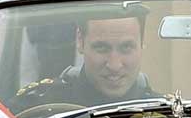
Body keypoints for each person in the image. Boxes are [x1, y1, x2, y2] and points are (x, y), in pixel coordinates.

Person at [11, 13, 158, 110]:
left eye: (126, 47)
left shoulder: (167, 115)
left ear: (142, 43)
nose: (114, 65)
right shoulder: (37, 107)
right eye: (101, 48)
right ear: (80, 41)